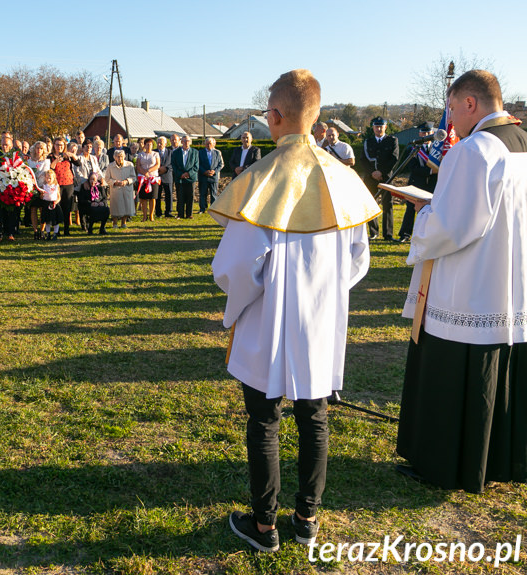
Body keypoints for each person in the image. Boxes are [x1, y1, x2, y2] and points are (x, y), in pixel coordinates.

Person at [210, 70, 379, 553]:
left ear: (276, 116)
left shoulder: (261, 178)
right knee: (315, 415)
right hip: (321, 321)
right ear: (318, 116)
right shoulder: (343, 179)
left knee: (263, 418)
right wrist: (323, 294)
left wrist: (236, 310)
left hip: (268, 320)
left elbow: (237, 268)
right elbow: (357, 262)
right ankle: (307, 520)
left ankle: (264, 526)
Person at [396, 70, 527, 494]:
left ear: (470, 103)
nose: (450, 118)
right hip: (516, 285)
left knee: (454, 376)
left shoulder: (474, 150)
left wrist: (422, 213)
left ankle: (443, 464)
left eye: (452, 108)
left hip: (469, 290)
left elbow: (452, 226)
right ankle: (499, 460)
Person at [397, 122, 437, 242]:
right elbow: (413, 167)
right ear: (419, 133)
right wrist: (430, 171)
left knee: (431, 210)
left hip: (432, 184)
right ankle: (405, 234)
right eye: (423, 132)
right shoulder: (413, 148)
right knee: (410, 209)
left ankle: (428, 234)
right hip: (417, 183)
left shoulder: (437, 149)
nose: (425, 135)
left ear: (432, 133)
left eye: (428, 132)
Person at [362, 116, 399, 240]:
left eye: (381, 126)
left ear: (385, 127)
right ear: (373, 127)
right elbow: (363, 160)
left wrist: (381, 172)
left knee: (387, 204)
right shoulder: (368, 141)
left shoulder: (392, 140)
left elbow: (394, 158)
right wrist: (372, 172)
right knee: (371, 203)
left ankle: (388, 234)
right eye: (376, 126)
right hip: (370, 177)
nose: (378, 129)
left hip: (386, 177)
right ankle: (373, 232)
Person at [49, 137, 80, 236]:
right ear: (54, 145)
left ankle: (66, 229)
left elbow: (78, 163)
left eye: (61, 145)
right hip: (56, 185)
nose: (59, 147)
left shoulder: (67, 156)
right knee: (56, 206)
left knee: (67, 207)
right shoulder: (50, 157)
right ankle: (56, 230)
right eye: (57, 145)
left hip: (68, 184)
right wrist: (57, 160)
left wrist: (72, 155)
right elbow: (50, 168)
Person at [105, 149, 136, 228]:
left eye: (121, 156)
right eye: (118, 157)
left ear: (124, 156)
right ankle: (115, 223)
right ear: (114, 157)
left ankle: (124, 222)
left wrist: (126, 181)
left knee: (126, 205)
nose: (120, 158)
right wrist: (114, 182)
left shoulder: (130, 165)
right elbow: (107, 179)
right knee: (115, 206)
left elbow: (133, 177)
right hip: (116, 190)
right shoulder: (110, 166)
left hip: (126, 188)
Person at [172, 134, 198, 219]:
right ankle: (180, 214)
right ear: (181, 142)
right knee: (180, 196)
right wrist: (181, 174)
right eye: (184, 141)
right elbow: (174, 165)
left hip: (191, 178)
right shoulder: (176, 152)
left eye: (188, 141)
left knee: (190, 196)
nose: (186, 142)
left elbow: (196, 166)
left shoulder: (195, 152)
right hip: (179, 178)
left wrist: (188, 174)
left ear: (190, 142)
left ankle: (189, 214)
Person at [135, 138, 161, 222]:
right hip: (143, 178)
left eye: (151, 144)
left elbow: (157, 165)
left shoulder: (156, 154)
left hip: (153, 178)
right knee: (143, 198)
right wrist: (144, 173)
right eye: (147, 144)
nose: (149, 146)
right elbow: (138, 166)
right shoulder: (140, 155)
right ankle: (144, 216)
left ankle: (151, 215)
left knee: (152, 197)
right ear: (144, 145)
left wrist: (149, 171)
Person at [197, 137, 223, 213]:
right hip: (203, 176)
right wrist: (204, 171)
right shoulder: (200, 153)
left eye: (210, 143)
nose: (208, 145)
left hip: (214, 177)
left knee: (213, 194)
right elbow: (198, 164)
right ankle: (202, 208)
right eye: (207, 143)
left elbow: (221, 164)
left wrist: (214, 171)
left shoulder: (218, 152)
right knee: (202, 194)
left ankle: (213, 209)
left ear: (214, 144)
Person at [40, 169, 62, 240]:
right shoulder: (44, 186)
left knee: (55, 220)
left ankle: (55, 233)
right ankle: (48, 233)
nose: (48, 179)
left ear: (53, 178)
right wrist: (42, 194)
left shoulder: (56, 186)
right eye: (47, 178)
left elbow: (58, 196)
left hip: (54, 204)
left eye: (50, 178)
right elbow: (41, 197)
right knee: (47, 220)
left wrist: (56, 202)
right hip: (46, 204)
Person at [155, 136, 174, 218]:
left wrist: (166, 168)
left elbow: (173, 164)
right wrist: (158, 169)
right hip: (156, 176)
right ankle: (158, 212)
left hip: (167, 176)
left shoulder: (171, 152)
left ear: (165, 144)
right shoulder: (154, 152)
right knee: (157, 195)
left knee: (169, 195)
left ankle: (168, 212)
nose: (159, 144)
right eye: (158, 143)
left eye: (161, 143)